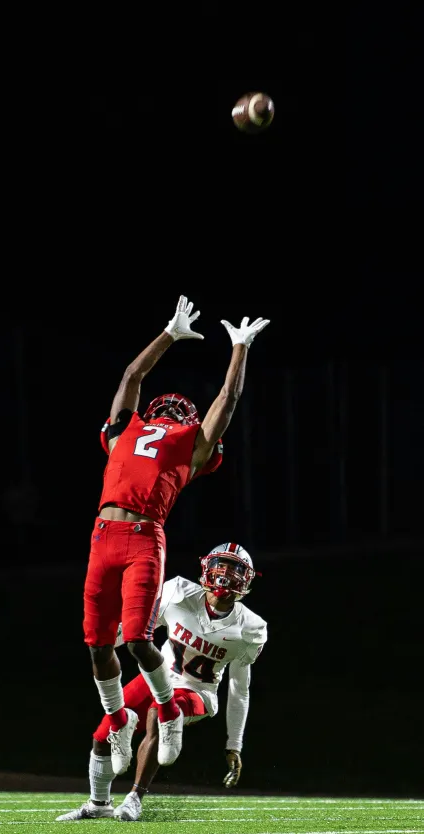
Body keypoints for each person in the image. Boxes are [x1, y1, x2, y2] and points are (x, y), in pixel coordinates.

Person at [83, 294, 270, 776]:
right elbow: (131, 377)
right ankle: (117, 725)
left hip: (144, 534)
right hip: (103, 533)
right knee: (98, 645)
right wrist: (169, 333)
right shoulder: (127, 429)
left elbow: (226, 402)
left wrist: (239, 350)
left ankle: (166, 716)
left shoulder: (191, 446)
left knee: (140, 640)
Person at [57, 541, 267, 822]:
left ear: (246, 578)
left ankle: (135, 797)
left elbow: (239, 689)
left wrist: (234, 744)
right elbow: (138, 632)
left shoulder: (251, 628)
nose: (225, 574)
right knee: (103, 734)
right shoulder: (178, 591)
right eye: (221, 565)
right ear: (207, 567)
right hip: (158, 678)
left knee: (162, 711)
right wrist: (105, 642)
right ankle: (98, 803)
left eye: (234, 568)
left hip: (198, 692)